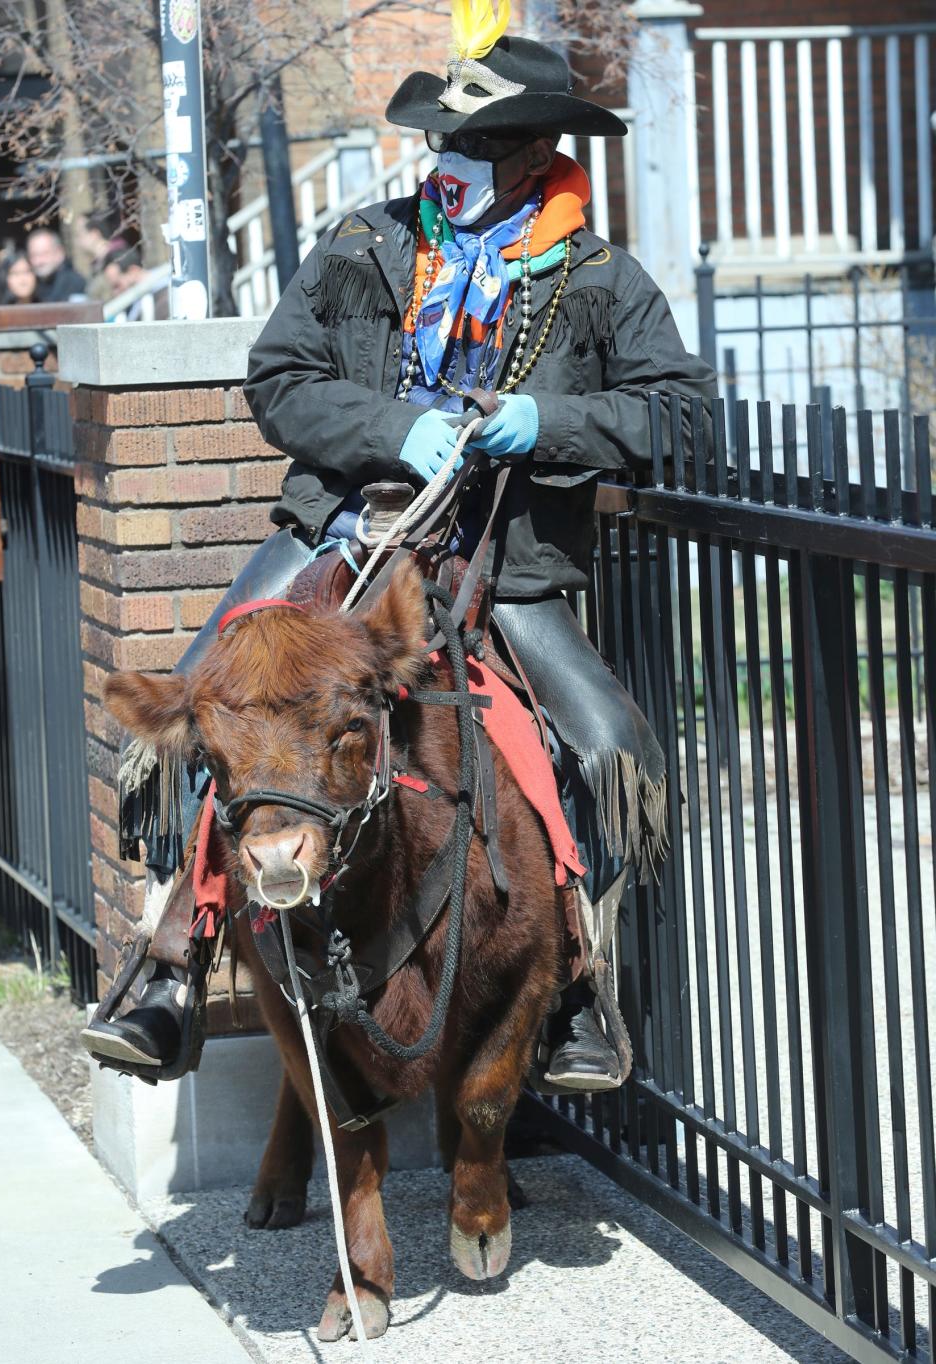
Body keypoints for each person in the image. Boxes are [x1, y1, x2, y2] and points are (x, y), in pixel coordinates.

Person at [83, 7, 716, 1091]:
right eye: (443, 143)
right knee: (199, 702)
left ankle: (575, 991)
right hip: (343, 532)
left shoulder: (598, 275)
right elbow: (279, 377)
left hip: (498, 563)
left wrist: (546, 425)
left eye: (471, 147)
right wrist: (390, 429)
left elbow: (686, 419)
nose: (448, 163)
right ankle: (168, 967)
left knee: (607, 746)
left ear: (532, 156)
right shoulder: (367, 244)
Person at [102, 244, 170, 320]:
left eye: (117, 285)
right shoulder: (137, 302)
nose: (115, 293)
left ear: (133, 271)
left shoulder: (166, 299)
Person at [25, 227, 87, 303]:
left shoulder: (74, 283)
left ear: (59, 253)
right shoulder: (29, 285)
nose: (39, 261)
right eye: (34, 255)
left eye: (44, 254)